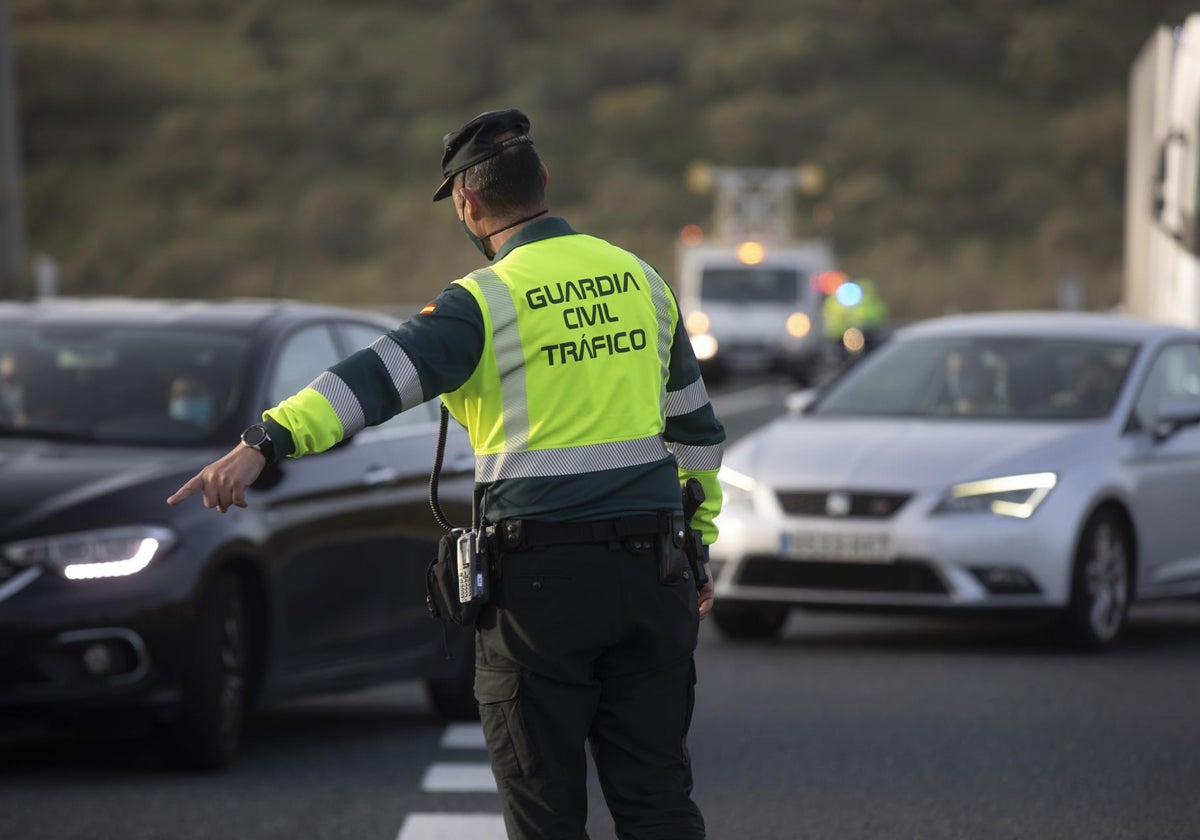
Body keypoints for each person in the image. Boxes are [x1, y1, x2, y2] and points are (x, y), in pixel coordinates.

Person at [167, 108, 724, 840]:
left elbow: (369, 380)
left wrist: (265, 440)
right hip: (654, 575)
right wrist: (699, 544)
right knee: (657, 801)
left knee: (545, 811)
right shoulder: (641, 279)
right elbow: (697, 433)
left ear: (466, 204)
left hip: (542, 591)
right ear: (544, 181)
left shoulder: (482, 303)